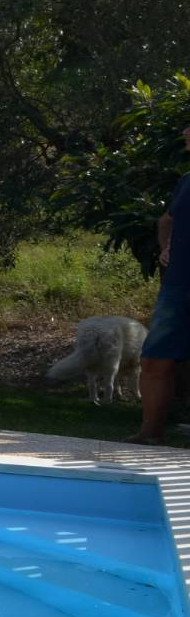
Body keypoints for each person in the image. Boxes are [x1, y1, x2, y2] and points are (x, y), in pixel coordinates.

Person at [130, 123, 190, 443]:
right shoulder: (187, 181)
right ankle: (150, 433)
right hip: (178, 287)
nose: (185, 132)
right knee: (154, 358)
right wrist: (167, 246)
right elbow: (166, 220)